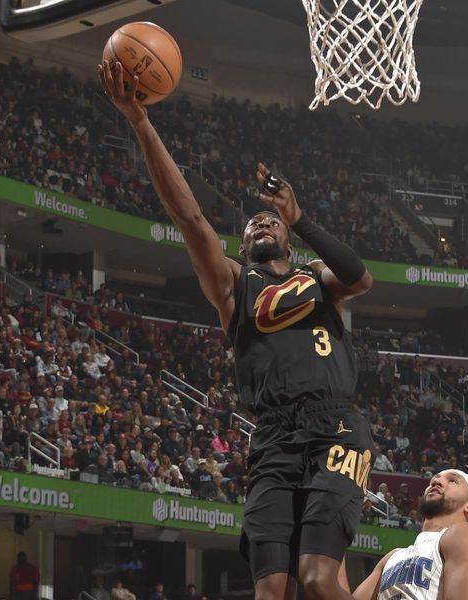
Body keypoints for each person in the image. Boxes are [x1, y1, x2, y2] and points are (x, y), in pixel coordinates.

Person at [100, 61, 375, 600]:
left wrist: (301, 219)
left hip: (335, 427)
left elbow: (360, 278)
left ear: (289, 240)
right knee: (269, 592)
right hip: (272, 436)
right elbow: (190, 218)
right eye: (253, 224)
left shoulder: (316, 277)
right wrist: (140, 123)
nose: (262, 222)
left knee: (318, 580)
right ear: (244, 245)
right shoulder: (232, 285)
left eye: (271, 220)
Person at [345, 470, 468, 599]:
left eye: (453, 481)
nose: (436, 481)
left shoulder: (464, 535)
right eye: (435, 479)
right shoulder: (392, 557)